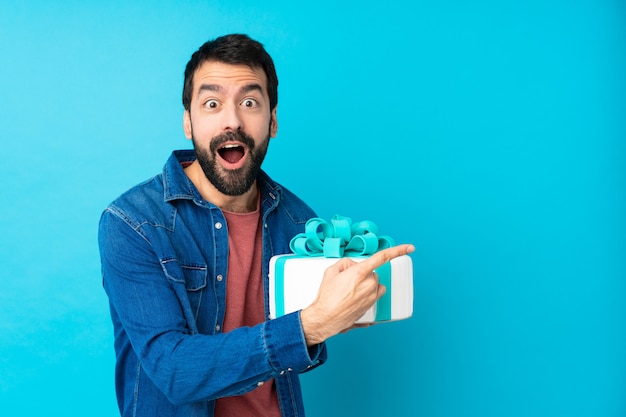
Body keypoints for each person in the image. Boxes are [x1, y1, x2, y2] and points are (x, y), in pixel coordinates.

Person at [98, 33, 414, 417]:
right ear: (188, 122)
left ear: (273, 120)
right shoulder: (132, 224)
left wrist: (335, 318)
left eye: (250, 102)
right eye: (211, 103)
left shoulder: (299, 222)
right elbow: (174, 371)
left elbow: (300, 353)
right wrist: (309, 327)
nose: (232, 121)